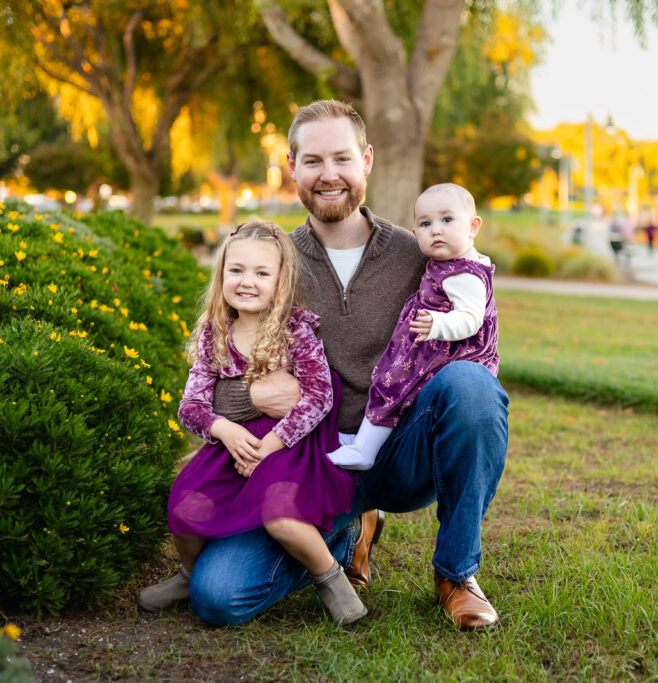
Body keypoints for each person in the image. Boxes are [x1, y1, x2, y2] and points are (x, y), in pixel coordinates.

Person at [143, 99, 509, 632]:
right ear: (293, 167)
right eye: (312, 161)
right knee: (217, 597)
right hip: (309, 460)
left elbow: (473, 336)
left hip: (398, 446)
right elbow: (220, 368)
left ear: (366, 160)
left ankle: (456, 573)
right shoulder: (273, 264)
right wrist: (252, 399)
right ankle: (350, 530)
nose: (328, 175)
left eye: (342, 158)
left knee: (472, 387)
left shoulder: (419, 253)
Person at [138, 221, 366, 626]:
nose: (247, 281)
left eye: (262, 273)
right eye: (237, 270)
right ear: (221, 273)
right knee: (186, 504)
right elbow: (190, 405)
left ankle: (331, 579)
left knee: (282, 516)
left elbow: (318, 396)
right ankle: (189, 575)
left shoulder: (295, 330)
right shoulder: (215, 334)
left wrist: (272, 445)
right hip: (234, 445)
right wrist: (223, 430)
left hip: (289, 445)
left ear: (282, 281)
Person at [327, 183, 498, 471]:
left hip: (442, 355)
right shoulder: (449, 264)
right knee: (387, 385)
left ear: (473, 226)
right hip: (425, 347)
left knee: (393, 390)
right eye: (425, 223)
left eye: (447, 220)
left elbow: (471, 319)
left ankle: (365, 451)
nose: (436, 230)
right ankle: (360, 444)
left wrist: (438, 323)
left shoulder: (466, 274)